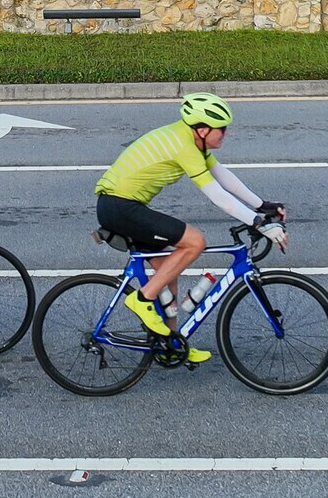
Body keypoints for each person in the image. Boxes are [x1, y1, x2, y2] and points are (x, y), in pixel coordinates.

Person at [95, 93, 286, 364]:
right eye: (222, 129)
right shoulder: (184, 145)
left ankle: (173, 343)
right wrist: (257, 223)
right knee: (195, 242)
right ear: (203, 129)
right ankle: (142, 299)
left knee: (169, 267)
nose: (225, 135)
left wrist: (262, 205)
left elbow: (224, 177)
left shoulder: (190, 140)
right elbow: (218, 197)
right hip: (120, 207)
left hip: (122, 205)